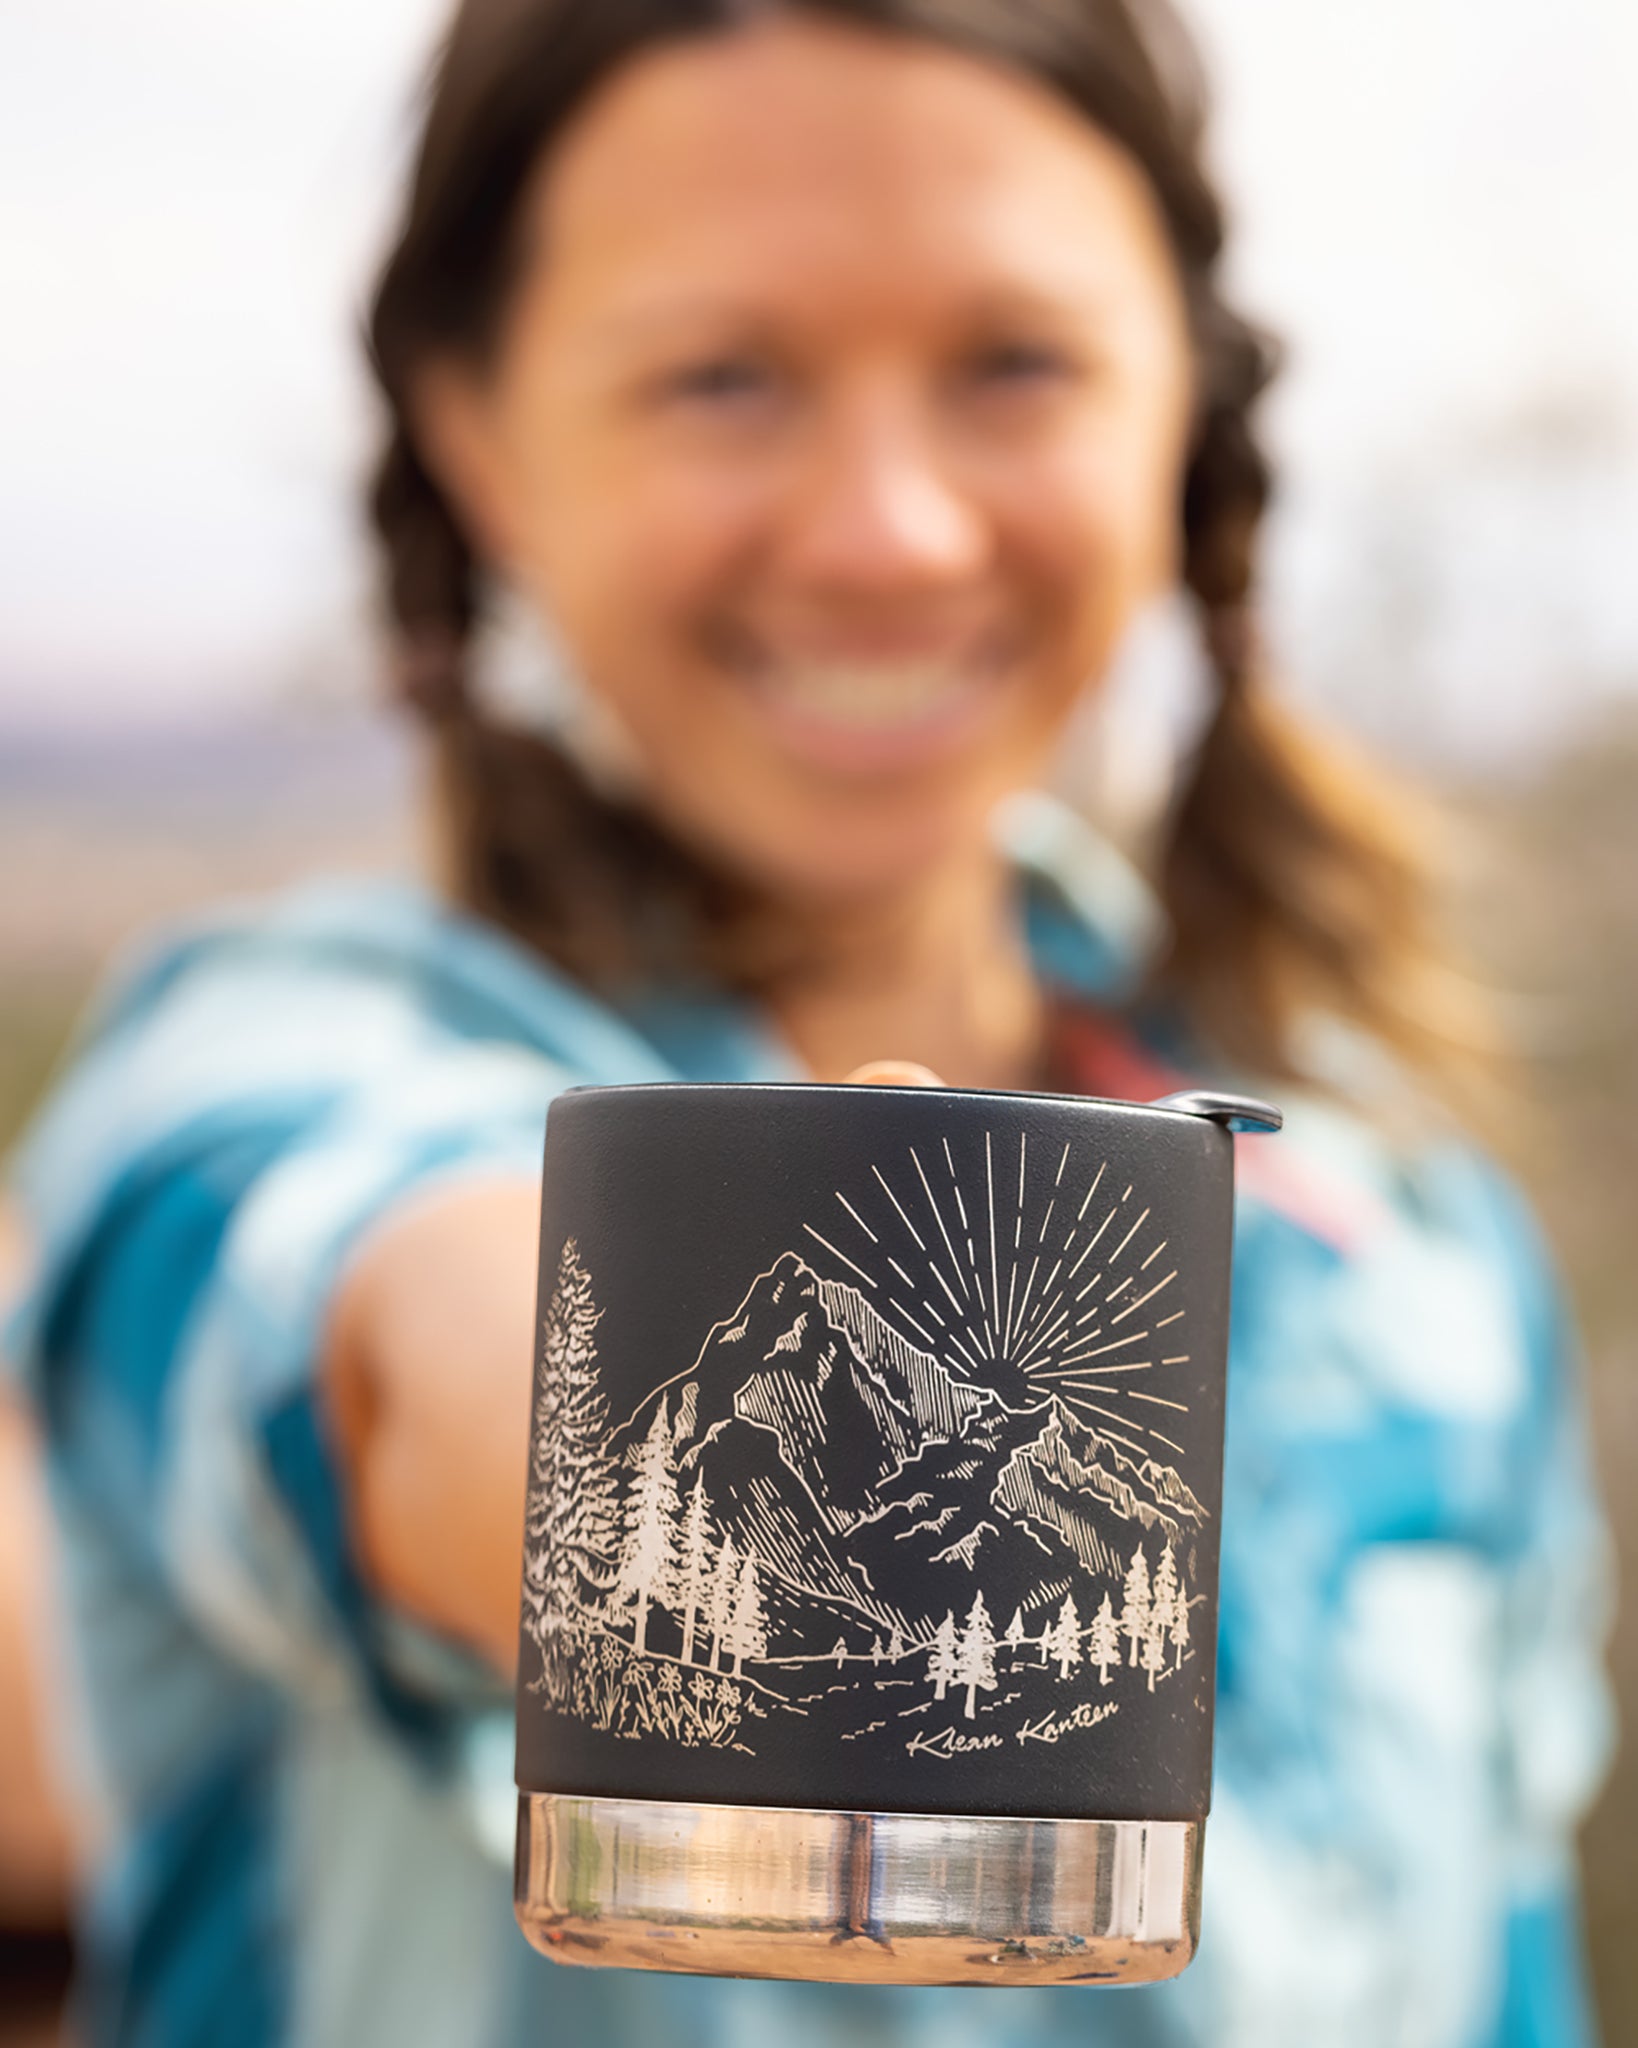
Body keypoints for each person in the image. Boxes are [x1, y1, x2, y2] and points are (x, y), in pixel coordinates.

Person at [2, 3, 1615, 2044]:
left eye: (1013, 363)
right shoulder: (259, 1056)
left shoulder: (1407, 1244)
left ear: (1179, 414)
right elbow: (393, 1331)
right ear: (478, 438)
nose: (889, 533)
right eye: (724, 376)